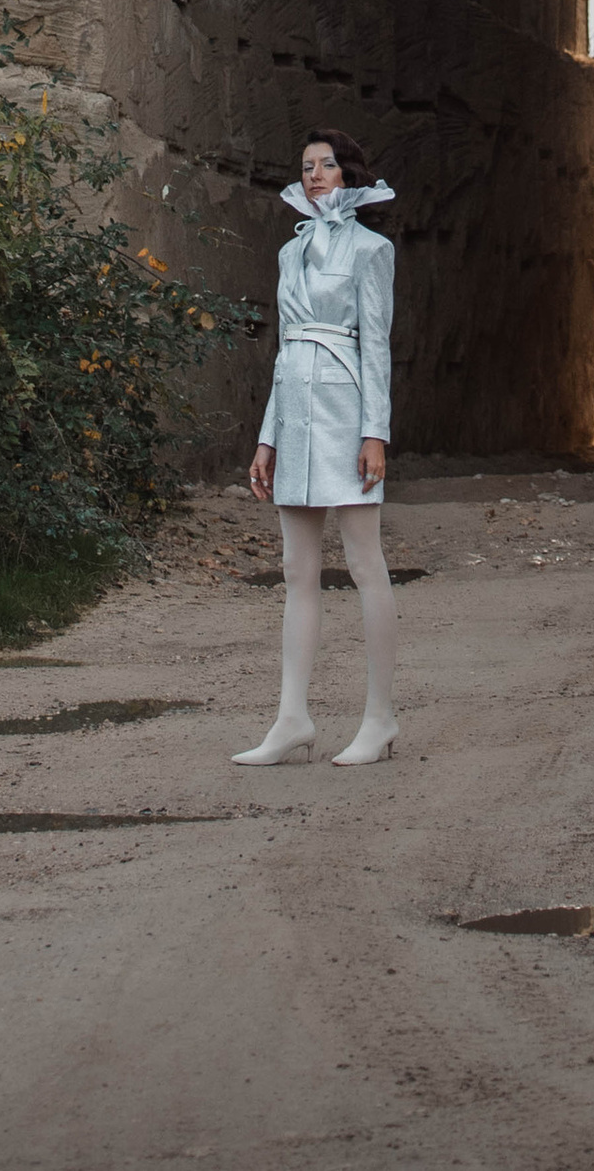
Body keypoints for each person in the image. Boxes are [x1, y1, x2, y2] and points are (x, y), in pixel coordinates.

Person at [236, 128, 399, 768]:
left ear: (349, 173)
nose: (314, 175)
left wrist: (374, 432)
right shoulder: (290, 252)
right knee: (297, 570)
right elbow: (285, 349)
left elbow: (376, 344)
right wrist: (267, 436)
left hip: (345, 410)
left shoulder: (372, 249)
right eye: (305, 166)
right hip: (295, 412)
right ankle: (292, 720)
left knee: (364, 563)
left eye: (326, 165)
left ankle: (380, 717)